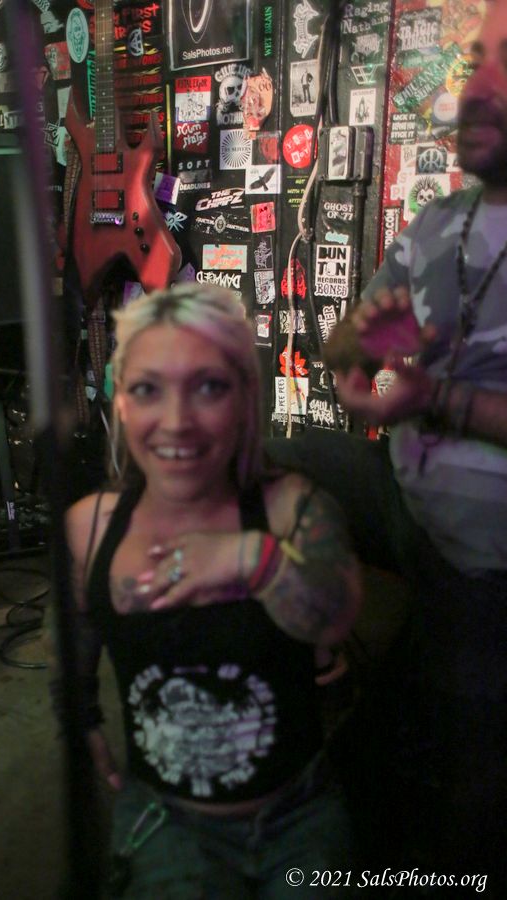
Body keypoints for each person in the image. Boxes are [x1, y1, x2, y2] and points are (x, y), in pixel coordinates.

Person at [266, 1, 507, 891]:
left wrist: (435, 396)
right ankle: (320, 650)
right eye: (475, 59)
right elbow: (348, 344)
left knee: (442, 794)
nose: (472, 86)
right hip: (408, 495)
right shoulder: (440, 224)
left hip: (490, 554)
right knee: (264, 451)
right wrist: (361, 353)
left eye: (500, 63)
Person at [57, 283, 361, 898]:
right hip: (163, 821)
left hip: (298, 816)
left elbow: (335, 619)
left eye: (209, 387)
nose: (177, 422)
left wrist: (255, 561)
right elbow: (77, 628)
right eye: (149, 389)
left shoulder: (291, 509)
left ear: (245, 400)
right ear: (121, 402)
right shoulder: (89, 527)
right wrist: (79, 714)